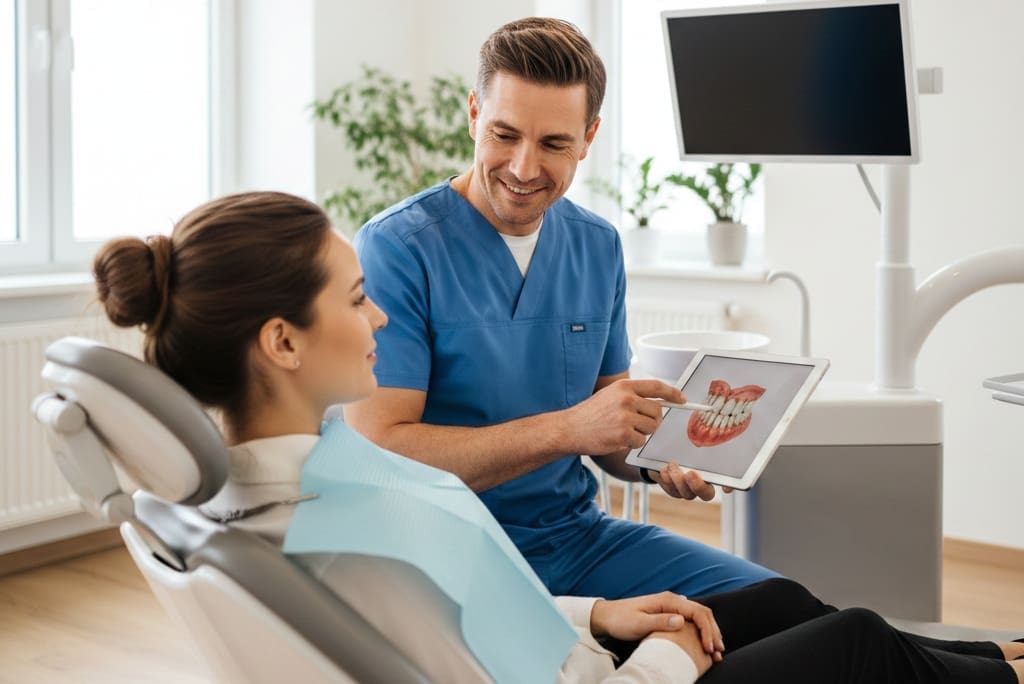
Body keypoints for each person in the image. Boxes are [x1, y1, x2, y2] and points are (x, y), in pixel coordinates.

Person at [92, 191, 1024, 683]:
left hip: (571, 622)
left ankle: (996, 660)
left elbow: (468, 617)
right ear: (283, 341)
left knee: (787, 607)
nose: (377, 320)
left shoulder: (299, 489)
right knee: (855, 641)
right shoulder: (349, 533)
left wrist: (606, 616)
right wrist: (666, 652)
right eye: (356, 298)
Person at [345, 16, 773, 601]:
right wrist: (569, 428)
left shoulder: (597, 246)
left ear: (589, 138)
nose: (523, 168)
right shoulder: (398, 246)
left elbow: (610, 440)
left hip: (576, 538)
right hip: (444, 556)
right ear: (473, 114)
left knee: (787, 606)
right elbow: (381, 452)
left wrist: (661, 458)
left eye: (553, 144)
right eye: (504, 134)